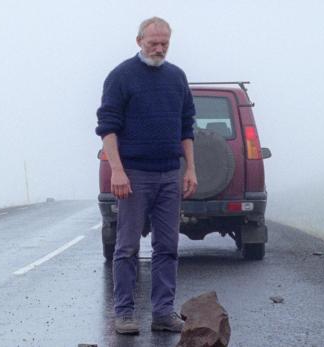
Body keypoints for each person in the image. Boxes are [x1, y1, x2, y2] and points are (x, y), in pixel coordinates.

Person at [95, 17, 197, 335]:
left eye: (164, 43)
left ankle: (163, 313)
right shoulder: (121, 77)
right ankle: (124, 314)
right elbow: (107, 127)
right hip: (134, 175)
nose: (159, 48)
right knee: (126, 248)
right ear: (139, 40)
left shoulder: (177, 78)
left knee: (167, 247)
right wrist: (117, 170)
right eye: (153, 42)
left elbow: (186, 126)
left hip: (169, 174)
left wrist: (190, 168)